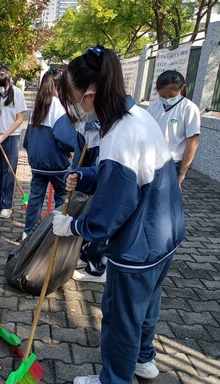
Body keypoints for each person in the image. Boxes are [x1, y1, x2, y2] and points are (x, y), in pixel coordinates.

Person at [52, 46, 185, 384]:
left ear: (90, 93)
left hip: (139, 243)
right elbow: (125, 177)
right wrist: (85, 176)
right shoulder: (136, 116)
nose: (72, 107)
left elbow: (113, 208)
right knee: (147, 305)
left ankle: (114, 379)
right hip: (166, 233)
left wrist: (73, 226)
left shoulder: (119, 136)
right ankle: (143, 359)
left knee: (120, 317)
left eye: (72, 97)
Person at [22, 67, 75, 241]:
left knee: (35, 199)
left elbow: (27, 139)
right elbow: (66, 139)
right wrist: (70, 150)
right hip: (56, 165)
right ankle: (57, 234)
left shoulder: (38, 105)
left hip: (37, 164)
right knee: (62, 197)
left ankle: (28, 232)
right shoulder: (60, 107)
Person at [147, 69, 200, 190]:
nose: (166, 99)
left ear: (182, 88)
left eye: (171, 96)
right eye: (162, 96)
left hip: (170, 165)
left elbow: (192, 142)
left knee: (162, 203)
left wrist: (181, 173)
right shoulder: (154, 107)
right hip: (149, 161)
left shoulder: (189, 109)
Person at [0, 65, 27, 219]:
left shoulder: (18, 94)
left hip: (11, 137)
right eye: (0, 86)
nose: (3, 89)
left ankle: (7, 205)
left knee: (9, 172)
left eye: (5, 85)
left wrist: (4, 136)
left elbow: (20, 119)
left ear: (10, 80)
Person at [71, 120, 108, 283]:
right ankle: (86, 256)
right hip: (95, 168)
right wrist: (77, 175)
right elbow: (81, 156)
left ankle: (96, 269)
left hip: (110, 180)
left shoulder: (117, 126)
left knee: (101, 217)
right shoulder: (86, 123)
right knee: (90, 212)